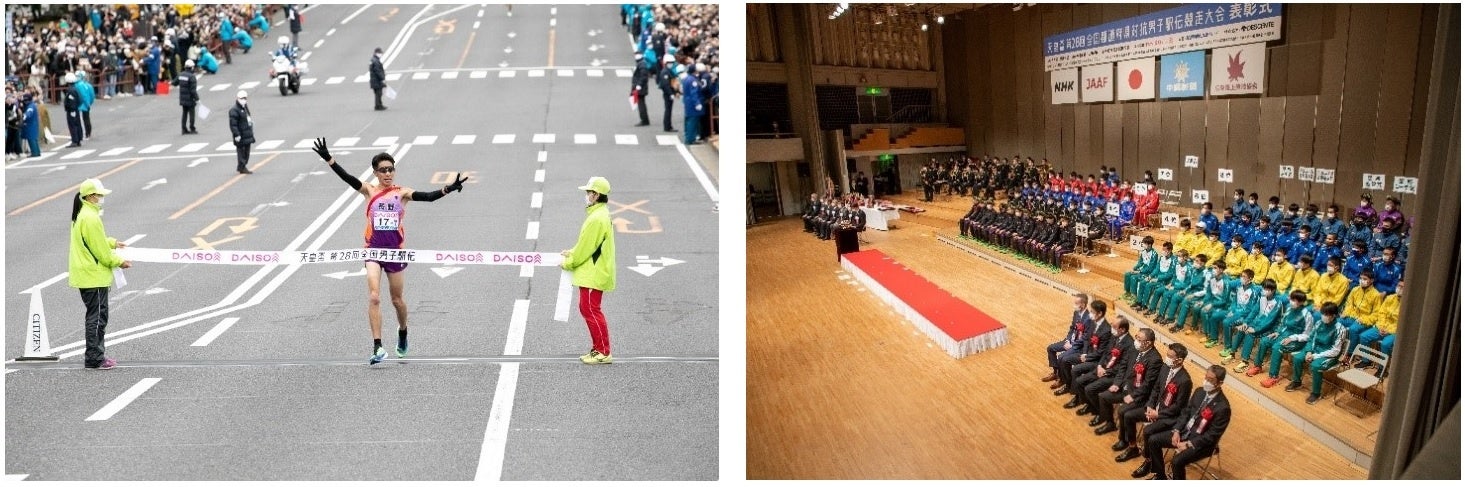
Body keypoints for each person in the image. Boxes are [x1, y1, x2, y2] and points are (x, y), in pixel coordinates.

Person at [310, 138, 468, 364]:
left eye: (391, 169)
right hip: (373, 250)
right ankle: (377, 347)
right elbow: (348, 179)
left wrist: (448, 189)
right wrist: (329, 159)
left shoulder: (401, 192)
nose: (388, 174)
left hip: (395, 252)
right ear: (375, 172)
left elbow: (428, 197)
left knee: (397, 300)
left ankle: (403, 331)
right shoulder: (369, 190)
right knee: (374, 296)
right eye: (383, 170)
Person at [69, 178, 133, 370]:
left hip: (86, 273)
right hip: (93, 275)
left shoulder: (83, 214)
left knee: (95, 315)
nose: (101, 198)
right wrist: (118, 261)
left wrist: (112, 242)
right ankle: (95, 358)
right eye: (99, 195)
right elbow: (99, 250)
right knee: (97, 317)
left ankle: (95, 355)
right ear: (90, 196)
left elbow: (94, 240)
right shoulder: (91, 217)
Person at [562, 176, 618, 364]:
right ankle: (598, 349)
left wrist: (568, 262)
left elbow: (586, 248)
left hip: (594, 272)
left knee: (591, 309)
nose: (586, 196)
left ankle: (603, 351)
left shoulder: (596, 218)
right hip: (592, 271)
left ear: (596, 195)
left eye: (589, 193)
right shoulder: (599, 214)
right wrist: (571, 252)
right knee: (588, 308)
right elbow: (586, 245)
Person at [1142, 365, 1231, 480]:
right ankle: (1160, 476)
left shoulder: (1223, 407)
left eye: (1211, 380)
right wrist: (1177, 430)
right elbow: (1186, 413)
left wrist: (1188, 444)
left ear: (1220, 383)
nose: (1206, 381)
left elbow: (1212, 435)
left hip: (1201, 443)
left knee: (1176, 461)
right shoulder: (1200, 391)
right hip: (1184, 432)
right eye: (1206, 377)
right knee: (1153, 440)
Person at [1119, 343, 1192, 470]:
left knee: (1148, 431)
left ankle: (1148, 461)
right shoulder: (1165, 368)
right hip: (1154, 409)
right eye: (1167, 355)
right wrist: (1150, 406)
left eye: (1170, 356)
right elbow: (1156, 389)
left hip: (1168, 416)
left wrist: (1158, 414)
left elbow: (1178, 407)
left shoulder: (1185, 381)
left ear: (1179, 360)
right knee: (1128, 415)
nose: (1167, 358)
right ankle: (1132, 447)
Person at [1093, 326, 1161, 436]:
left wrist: (1133, 395)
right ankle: (1110, 423)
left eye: (1139, 339)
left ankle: (1125, 440)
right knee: (1103, 396)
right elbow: (1123, 367)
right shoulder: (1134, 349)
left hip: (1139, 395)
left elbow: (1148, 384)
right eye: (1136, 337)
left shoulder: (1155, 360)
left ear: (1148, 343)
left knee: (1123, 411)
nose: (1136, 341)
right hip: (1125, 387)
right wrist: (1117, 383)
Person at [1285, 302, 1347, 404]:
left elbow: (1335, 351)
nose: (1324, 316)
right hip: (1314, 350)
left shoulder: (1340, 329)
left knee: (1315, 365)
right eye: (1323, 313)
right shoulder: (1318, 323)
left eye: (1327, 315)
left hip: (1329, 355)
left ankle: (1316, 393)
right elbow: (1311, 339)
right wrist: (1309, 351)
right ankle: (1296, 382)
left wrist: (1315, 356)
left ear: (1334, 315)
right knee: (1297, 358)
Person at [228, 90, 254, 174]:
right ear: (238, 98)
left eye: (245, 98)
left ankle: (242, 167)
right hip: (240, 135)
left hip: (247, 134)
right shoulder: (234, 110)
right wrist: (236, 134)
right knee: (241, 152)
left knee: (247, 153)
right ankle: (242, 167)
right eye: (242, 98)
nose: (244, 99)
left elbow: (248, 118)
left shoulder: (245, 107)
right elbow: (233, 124)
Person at [177, 60, 199, 134]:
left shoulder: (181, 75)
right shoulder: (192, 77)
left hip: (183, 98)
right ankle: (192, 128)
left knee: (184, 113)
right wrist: (197, 99)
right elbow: (193, 90)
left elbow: (174, 82)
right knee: (192, 114)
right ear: (192, 67)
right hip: (190, 99)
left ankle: (183, 129)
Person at [657, 53, 677, 132]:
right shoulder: (665, 72)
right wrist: (670, 93)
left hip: (669, 93)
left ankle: (669, 125)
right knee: (668, 110)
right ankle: (667, 126)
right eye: (670, 63)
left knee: (669, 110)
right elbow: (666, 85)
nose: (671, 64)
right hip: (667, 93)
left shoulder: (668, 71)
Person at [62, 73, 83, 147]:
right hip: (75, 109)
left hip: (72, 110)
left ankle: (75, 140)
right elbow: (80, 99)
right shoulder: (75, 88)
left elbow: (72, 102)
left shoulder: (71, 90)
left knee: (72, 125)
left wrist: (70, 108)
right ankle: (78, 139)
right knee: (77, 124)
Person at [630, 53, 651, 126]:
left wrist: (639, 85)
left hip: (640, 88)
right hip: (640, 87)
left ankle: (644, 120)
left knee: (641, 105)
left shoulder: (642, 65)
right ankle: (645, 119)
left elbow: (643, 76)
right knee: (641, 104)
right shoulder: (641, 64)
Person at [74, 71, 95, 139]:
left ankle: (83, 134)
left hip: (80, 105)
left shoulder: (78, 85)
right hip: (87, 105)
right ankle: (88, 133)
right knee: (87, 119)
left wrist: (86, 103)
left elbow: (83, 96)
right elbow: (92, 96)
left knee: (81, 120)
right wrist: (89, 103)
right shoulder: (88, 85)